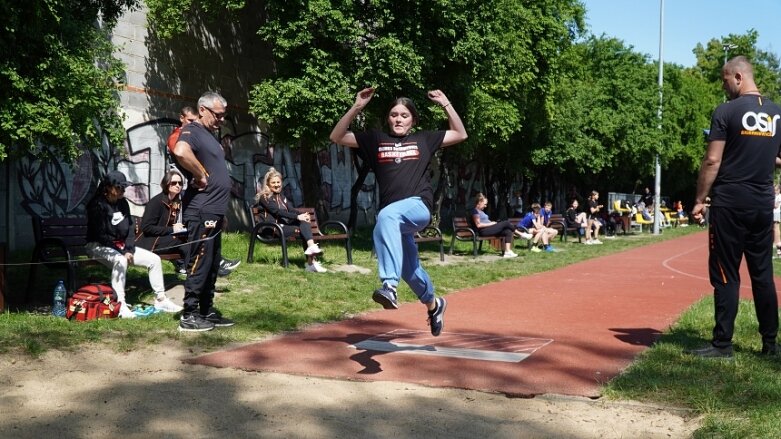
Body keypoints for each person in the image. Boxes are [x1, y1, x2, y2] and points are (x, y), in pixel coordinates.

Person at [329, 87, 468, 336]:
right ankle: (434, 305)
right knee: (411, 271)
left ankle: (389, 286)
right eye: (394, 115)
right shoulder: (376, 140)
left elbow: (460, 133)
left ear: (413, 120)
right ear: (388, 119)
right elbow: (337, 136)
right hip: (395, 222)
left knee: (387, 215)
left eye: (404, 115)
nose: (398, 119)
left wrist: (446, 103)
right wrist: (357, 107)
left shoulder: (424, 139)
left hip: (418, 207)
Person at [688, 56, 780, 358]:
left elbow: (712, 160)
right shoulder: (776, 114)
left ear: (738, 77)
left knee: (726, 272)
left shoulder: (726, 111)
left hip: (730, 204)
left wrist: (700, 200)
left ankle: (723, 344)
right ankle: (770, 343)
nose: (723, 85)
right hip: (762, 205)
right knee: (762, 274)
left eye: (724, 79)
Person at [172, 91, 235, 332]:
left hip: (214, 211)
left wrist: (222, 212)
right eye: (217, 115)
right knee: (199, 263)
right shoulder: (192, 131)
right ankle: (189, 315)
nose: (221, 119)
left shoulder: (209, 136)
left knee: (212, 264)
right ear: (202, 110)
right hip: (201, 211)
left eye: (223, 116)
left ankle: (206, 311)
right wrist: (200, 174)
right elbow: (180, 152)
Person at [85, 170, 183, 318]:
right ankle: (120, 305)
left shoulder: (123, 203)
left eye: (124, 188)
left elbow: (130, 229)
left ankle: (161, 299)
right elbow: (101, 235)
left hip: (122, 246)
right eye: (119, 188)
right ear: (108, 187)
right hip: (97, 245)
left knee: (154, 260)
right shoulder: (97, 205)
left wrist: (128, 248)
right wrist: (121, 251)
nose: (123, 191)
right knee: (121, 261)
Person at [167, 106, 241, 277]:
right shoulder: (181, 134)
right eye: (190, 121)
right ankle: (187, 265)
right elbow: (180, 152)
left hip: (205, 197)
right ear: (182, 118)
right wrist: (201, 173)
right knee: (190, 232)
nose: (193, 124)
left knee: (206, 237)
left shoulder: (202, 135)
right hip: (187, 192)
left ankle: (215, 262)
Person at [254, 167, 327, 272]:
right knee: (303, 229)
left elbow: (291, 210)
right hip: (271, 229)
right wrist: (297, 217)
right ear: (268, 184)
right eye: (273, 182)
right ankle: (311, 263)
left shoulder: (281, 196)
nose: (276, 185)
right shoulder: (264, 197)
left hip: (281, 227)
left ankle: (311, 250)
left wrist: (303, 215)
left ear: (281, 183)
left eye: (278, 182)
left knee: (304, 223)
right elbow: (277, 212)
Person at [135, 169, 189, 275]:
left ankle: (193, 272)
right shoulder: (156, 202)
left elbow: (168, 224)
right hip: (149, 242)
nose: (178, 185)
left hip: (164, 239)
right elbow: (146, 228)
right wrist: (172, 229)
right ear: (166, 184)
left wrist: (178, 227)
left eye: (180, 183)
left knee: (189, 242)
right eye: (174, 183)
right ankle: (191, 271)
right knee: (185, 241)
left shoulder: (175, 202)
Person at [470, 193, 517, 258]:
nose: (485, 206)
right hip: (483, 231)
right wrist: (491, 224)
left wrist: (492, 223)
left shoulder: (481, 211)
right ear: (480, 202)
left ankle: (507, 252)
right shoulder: (474, 211)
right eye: (485, 204)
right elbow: (478, 225)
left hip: (488, 229)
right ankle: (520, 233)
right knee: (506, 222)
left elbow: (485, 221)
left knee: (507, 231)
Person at [774, 185, 781, 258]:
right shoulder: (775, 195)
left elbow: (776, 206)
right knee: (774, 229)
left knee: (776, 228)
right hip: (774, 213)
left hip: (776, 213)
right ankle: (778, 248)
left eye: (776, 190)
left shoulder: (779, 196)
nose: (775, 191)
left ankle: (779, 247)